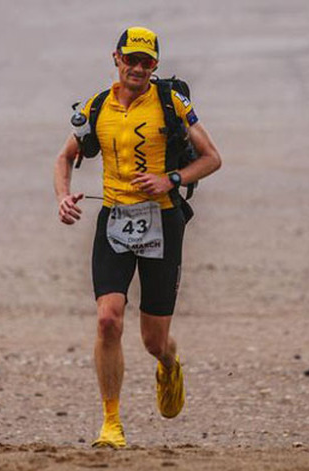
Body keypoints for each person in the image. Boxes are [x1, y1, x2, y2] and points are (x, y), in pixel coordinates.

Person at [53, 26, 222, 448]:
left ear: (155, 65)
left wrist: (171, 179)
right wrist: (63, 197)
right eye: (131, 59)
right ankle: (111, 424)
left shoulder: (171, 103)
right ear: (117, 58)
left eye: (147, 62)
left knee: (153, 340)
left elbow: (212, 158)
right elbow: (65, 157)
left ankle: (169, 363)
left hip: (162, 222)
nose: (138, 68)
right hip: (114, 220)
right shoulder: (97, 107)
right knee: (108, 320)